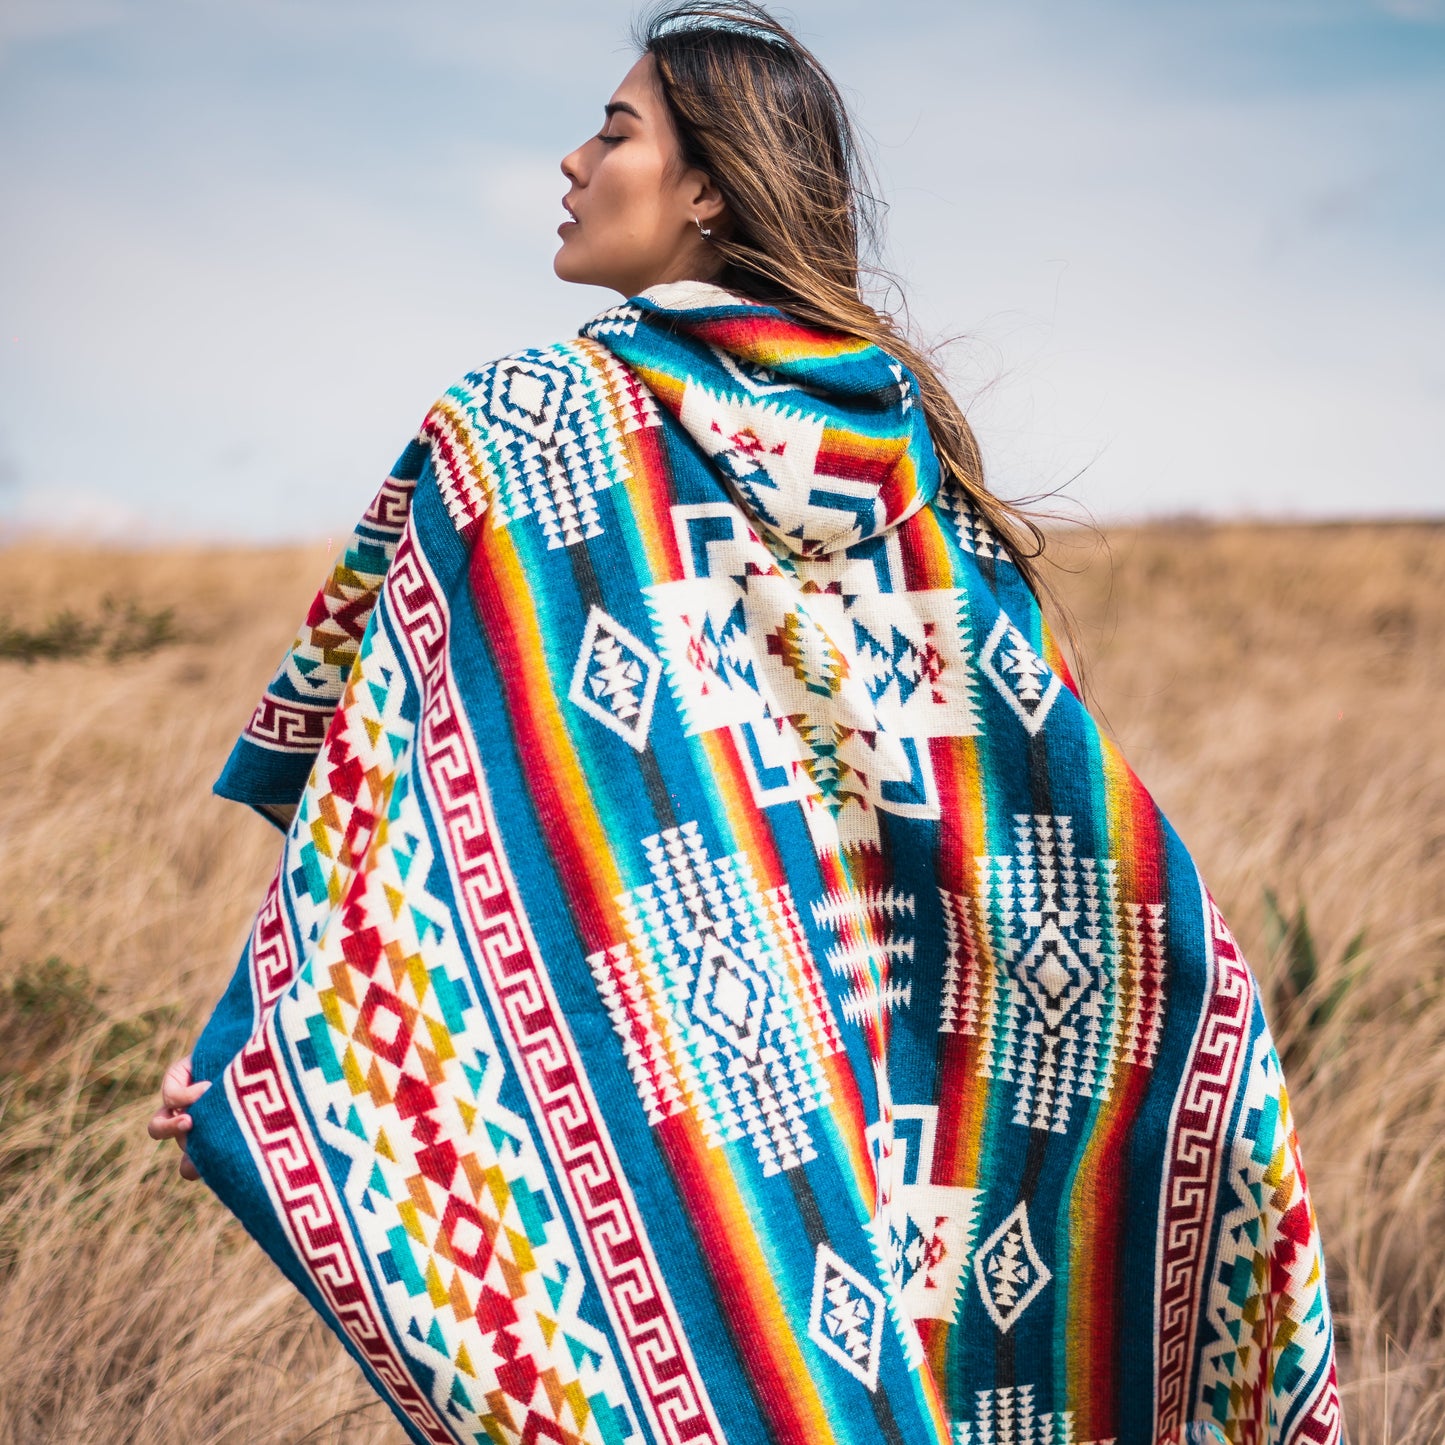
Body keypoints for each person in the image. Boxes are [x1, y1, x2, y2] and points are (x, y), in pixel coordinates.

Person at [150, 4, 1341, 1442]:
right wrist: (1198, 1032)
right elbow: (1025, 814)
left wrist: (276, 1043)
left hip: (707, 1092)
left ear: (707, 185)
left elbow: (383, 796)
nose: (574, 159)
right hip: (850, 1085)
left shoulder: (527, 430)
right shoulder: (895, 456)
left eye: (616, 127)